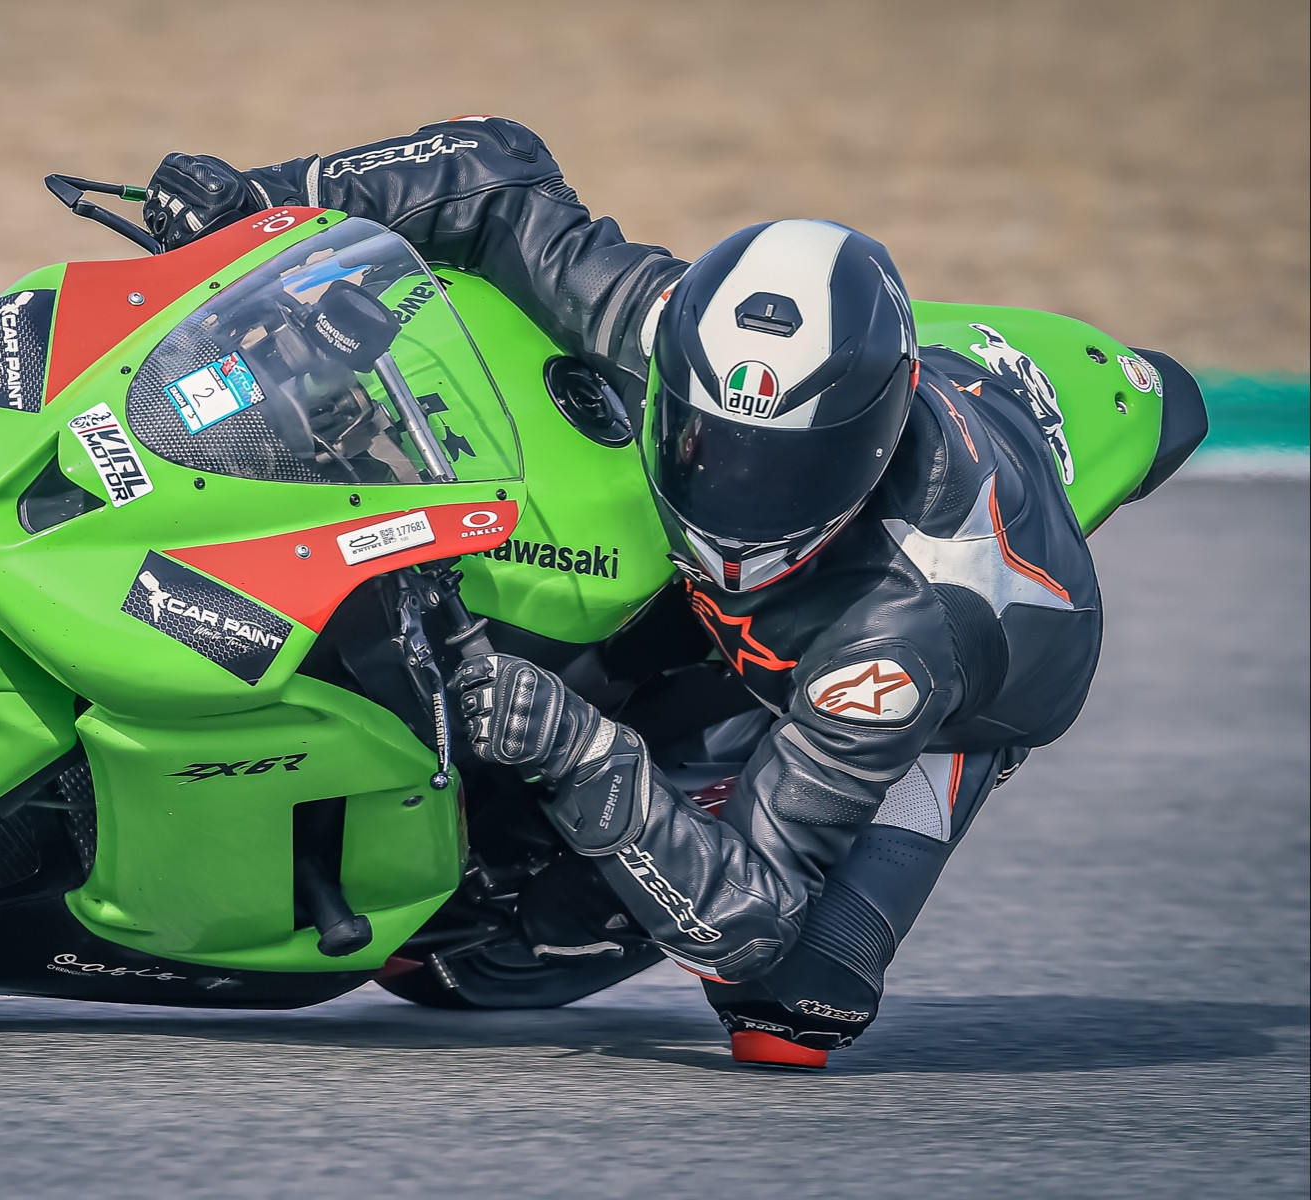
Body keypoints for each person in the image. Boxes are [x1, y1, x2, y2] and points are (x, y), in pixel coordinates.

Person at [141, 117, 1114, 1069]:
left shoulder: (896, 650)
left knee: (786, 1003)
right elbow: (498, 172)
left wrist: (580, 752)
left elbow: (750, 919)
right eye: (710, 442)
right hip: (754, 590)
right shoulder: (679, 330)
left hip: (937, 696)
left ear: (874, 441)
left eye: (785, 469)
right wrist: (263, 198)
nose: (737, 491)